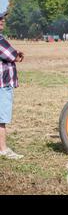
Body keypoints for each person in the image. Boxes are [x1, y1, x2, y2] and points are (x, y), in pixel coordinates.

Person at [0, 11, 24, 159]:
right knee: (2, 117)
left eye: (2, 18)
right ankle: (3, 148)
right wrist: (18, 55)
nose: (2, 21)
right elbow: (13, 56)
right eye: (0, 19)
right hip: (2, 83)